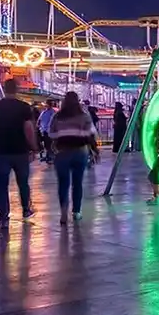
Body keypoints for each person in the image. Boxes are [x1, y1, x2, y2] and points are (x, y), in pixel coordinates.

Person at [0, 78, 39, 229]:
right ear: (17, 89)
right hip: (20, 150)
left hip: (0, 150)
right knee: (23, 182)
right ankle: (26, 209)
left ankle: (3, 217)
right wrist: (33, 147)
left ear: (4, 88)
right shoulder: (23, 107)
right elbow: (28, 129)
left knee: (1, 184)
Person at [49, 91, 98, 224]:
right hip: (80, 152)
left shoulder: (57, 116)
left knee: (63, 184)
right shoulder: (84, 116)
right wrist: (95, 151)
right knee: (77, 183)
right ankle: (76, 212)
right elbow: (91, 135)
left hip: (62, 152)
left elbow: (51, 134)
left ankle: (64, 212)